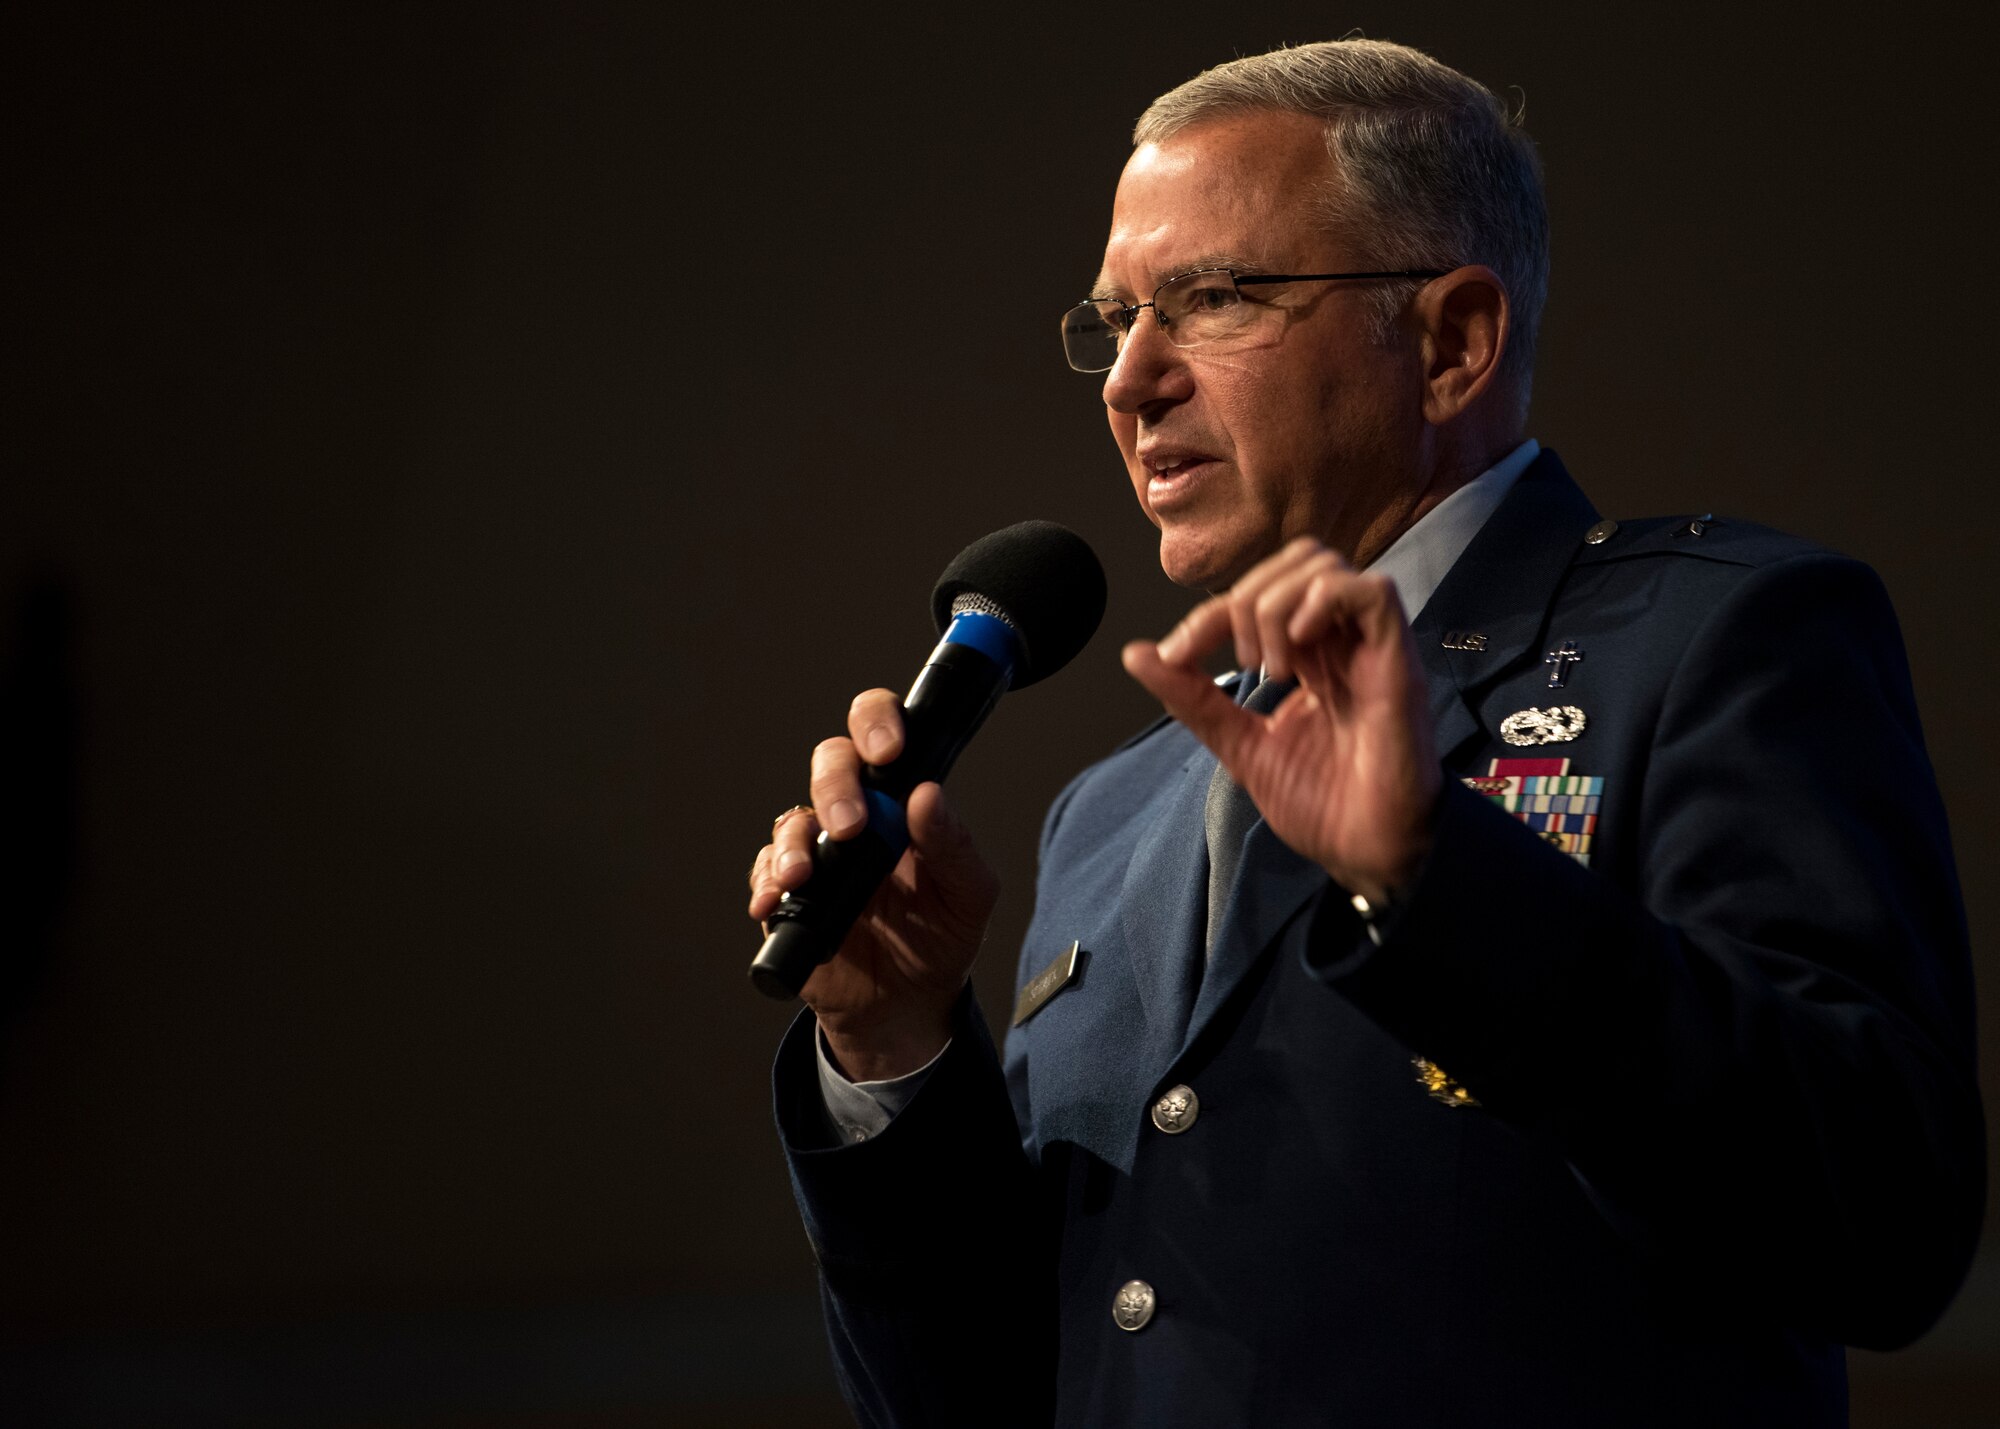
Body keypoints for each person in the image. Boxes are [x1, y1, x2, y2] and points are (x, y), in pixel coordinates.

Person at [746, 38, 1982, 1427]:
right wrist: (897, 1048)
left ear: (1452, 341)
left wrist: (1436, 875)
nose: (1128, 379)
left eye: (1210, 299)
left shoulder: (1717, 643)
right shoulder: (1109, 816)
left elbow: (1887, 1219)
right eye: (1115, 319)